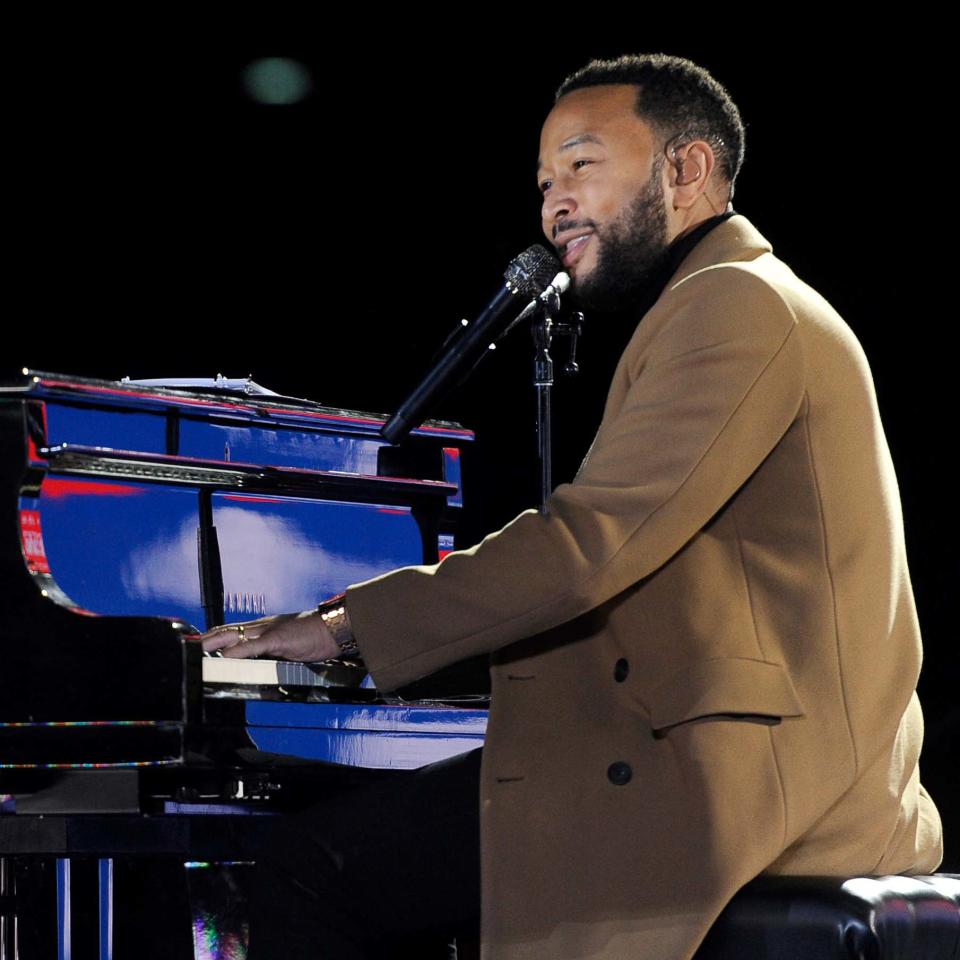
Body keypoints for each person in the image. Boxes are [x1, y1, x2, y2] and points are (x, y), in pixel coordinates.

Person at [202, 53, 943, 960]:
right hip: (726, 752)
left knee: (308, 868)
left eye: (583, 165)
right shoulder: (718, 303)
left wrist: (342, 627)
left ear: (687, 170)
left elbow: (589, 546)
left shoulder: (737, 306)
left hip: (756, 785)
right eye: (546, 180)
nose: (555, 202)